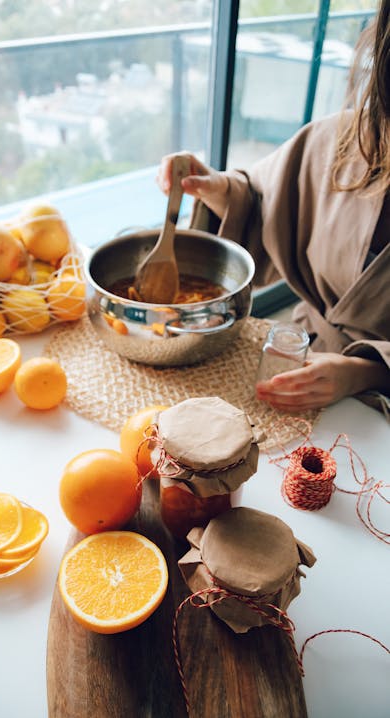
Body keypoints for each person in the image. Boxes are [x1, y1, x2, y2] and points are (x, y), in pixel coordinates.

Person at [156, 1, 389, 415]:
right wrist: (214, 189)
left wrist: (363, 370)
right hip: (296, 369)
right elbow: (262, 201)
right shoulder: (342, 140)